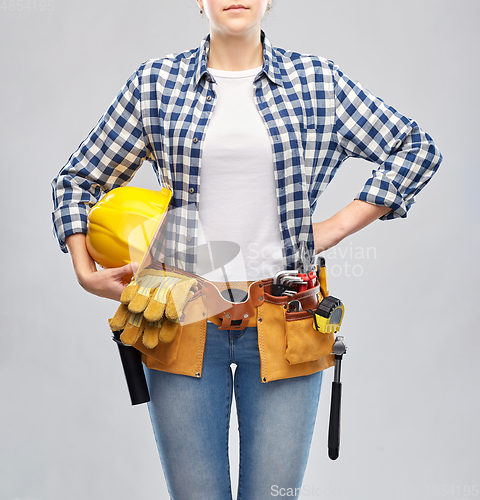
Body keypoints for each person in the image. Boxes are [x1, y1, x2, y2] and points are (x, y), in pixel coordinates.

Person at [51, 1, 442, 498]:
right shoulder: (155, 84)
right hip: (180, 317)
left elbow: (416, 147)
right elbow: (76, 181)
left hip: (287, 318)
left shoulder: (318, 82)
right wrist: (85, 271)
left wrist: (337, 227)